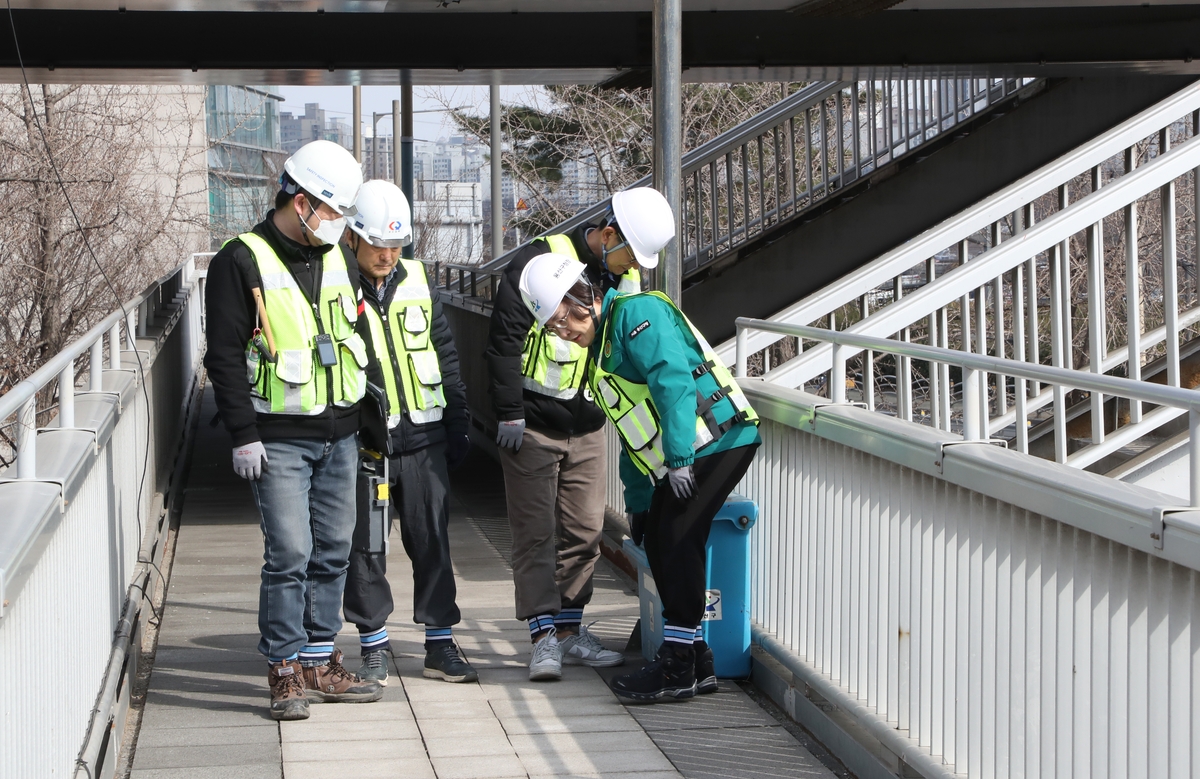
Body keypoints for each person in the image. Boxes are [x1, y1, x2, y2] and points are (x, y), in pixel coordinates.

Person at [517, 251, 761, 703]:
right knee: (662, 543)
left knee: (675, 541)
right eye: (553, 327)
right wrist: (639, 501)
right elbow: (632, 431)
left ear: (582, 299)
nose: (564, 332)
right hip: (685, 454)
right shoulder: (601, 349)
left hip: (719, 439)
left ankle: (677, 667)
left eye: (563, 320)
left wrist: (682, 457)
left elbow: (674, 382)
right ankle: (695, 659)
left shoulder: (636, 313)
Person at [204, 139, 384, 721]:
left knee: (333, 550)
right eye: (332, 212)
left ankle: (318, 660)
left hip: (340, 431)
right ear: (301, 201)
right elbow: (224, 357)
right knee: (290, 552)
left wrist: (376, 419)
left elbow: (360, 338)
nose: (338, 225)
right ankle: (283, 669)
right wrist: (241, 433)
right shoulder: (242, 260)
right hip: (278, 435)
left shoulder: (338, 258)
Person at [484, 188, 675, 680]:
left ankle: (570, 629)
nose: (633, 265)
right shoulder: (541, 260)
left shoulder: (626, 281)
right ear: (607, 233)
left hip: (588, 423)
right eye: (630, 252)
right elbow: (503, 340)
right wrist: (508, 412)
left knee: (586, 530)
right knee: (535, 534)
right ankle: (542, 636)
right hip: (531, 423)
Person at [340, 180, 477, 686]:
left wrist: (458, 419)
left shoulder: (417, 279)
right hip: (366, 445)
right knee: (367, 545)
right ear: (353, 237)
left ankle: (440, 643)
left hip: (424, 440)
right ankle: (373, 646)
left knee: (432, 540)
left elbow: (445, 354)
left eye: (396, 246)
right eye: (378, 245)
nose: (387, 255)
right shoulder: (334, 283)